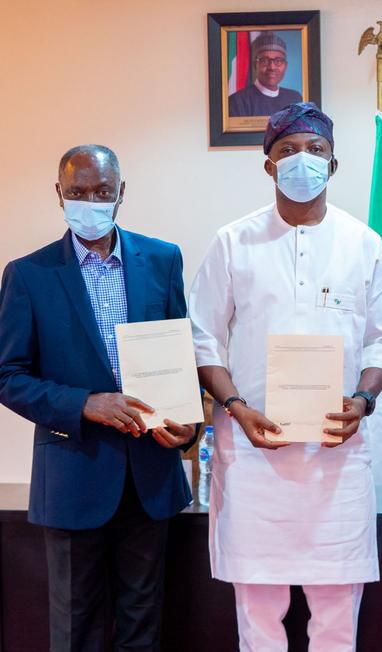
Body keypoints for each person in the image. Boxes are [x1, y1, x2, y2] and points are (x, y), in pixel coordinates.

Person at [189, 102, 382, 652]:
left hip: (336, 455)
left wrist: (363, 399)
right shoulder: (233, 242)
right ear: (268, 165)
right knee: (259, 617)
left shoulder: (364, 244)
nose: (301, 161)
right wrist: (235, 407)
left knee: (335, 615)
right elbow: (204, 337)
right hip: (254, 456)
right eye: (287, 151)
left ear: (333, 165)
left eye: (315, 150)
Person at [0, 144, 195, 650]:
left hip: (150, 474)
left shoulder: (162, 259)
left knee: (142, 625)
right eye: (78, 192)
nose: (91, 201)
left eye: (102, 192)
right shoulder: (29, 275)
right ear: (59, 196)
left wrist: (188, 422)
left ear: (121, 193)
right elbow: (8, 375)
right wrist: (85, 403)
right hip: (73, 474)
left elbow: (181, 351)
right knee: (76, 628)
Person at [228, 31, 304, 117]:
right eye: (264, 60)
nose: (271, 67)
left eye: (278, 61)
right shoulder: (237, 102)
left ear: (285, 66)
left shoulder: (295, 99)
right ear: (255, 65)